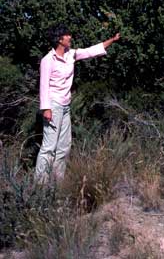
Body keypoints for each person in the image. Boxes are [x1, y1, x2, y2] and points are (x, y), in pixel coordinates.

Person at [35, 24, 120, 183]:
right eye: (67, 35)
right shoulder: (48, 60)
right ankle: (40, 187)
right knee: (49, 147)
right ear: (60, 40)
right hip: (53, 105)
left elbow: (90, 51)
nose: (70, 37)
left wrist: (113, 40)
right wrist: (46, 108)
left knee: (64, 146)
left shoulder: (71, 54)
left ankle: (57, 183)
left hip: (65, 106)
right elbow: (43, 85)